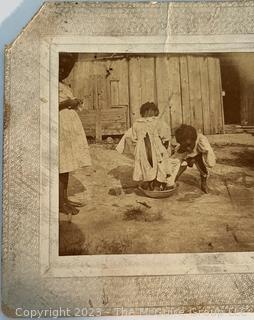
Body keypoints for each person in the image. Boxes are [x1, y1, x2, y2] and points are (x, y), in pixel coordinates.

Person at [59, 53, 92, 215]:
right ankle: (60, 203)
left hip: (68, 128)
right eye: (58, 68)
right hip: (59, 127)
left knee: (67, 166)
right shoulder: (49, 84)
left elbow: (69, 103)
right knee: (61, 167)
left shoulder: (64, 85)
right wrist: (67, 103)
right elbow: (48, 105)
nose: (61, 72)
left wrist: (75, 102)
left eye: (65, 70)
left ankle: (64, 198)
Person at [131, 102, 173, 190]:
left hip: (142, 149)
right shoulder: (158, 122)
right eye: (149, 111)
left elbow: (134, 138)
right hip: (155, 147)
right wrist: (165, 145)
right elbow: (166, 135)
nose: (150, 113)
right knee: (159, 165)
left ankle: (149, 182)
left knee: (146, 166)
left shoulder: (136, 124)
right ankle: (156, 184)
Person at [173, 124, 216, 193]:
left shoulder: (202, 142)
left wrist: (208, 162)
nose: (188, 148)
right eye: (184, 145)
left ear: (194, 140)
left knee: (202, 167)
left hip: (198, 153)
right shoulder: (183, 143)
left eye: (189, 145)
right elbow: (177, 157)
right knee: (179, 165)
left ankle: (204, 183)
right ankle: (173, 180)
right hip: (187, 153)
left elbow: (209, 155)